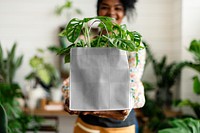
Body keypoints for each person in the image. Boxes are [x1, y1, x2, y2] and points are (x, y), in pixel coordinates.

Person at [62, 0, 146, 132]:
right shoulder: (88, 43)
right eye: (105, 7)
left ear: (124, 12)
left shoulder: (133, 44)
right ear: (98, 12)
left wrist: (128, 103)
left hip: (120, 125)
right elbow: (76, 78)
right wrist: (69, 96)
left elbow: (133, 78)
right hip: (87, 121)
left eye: (117, 8)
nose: (111, 12)